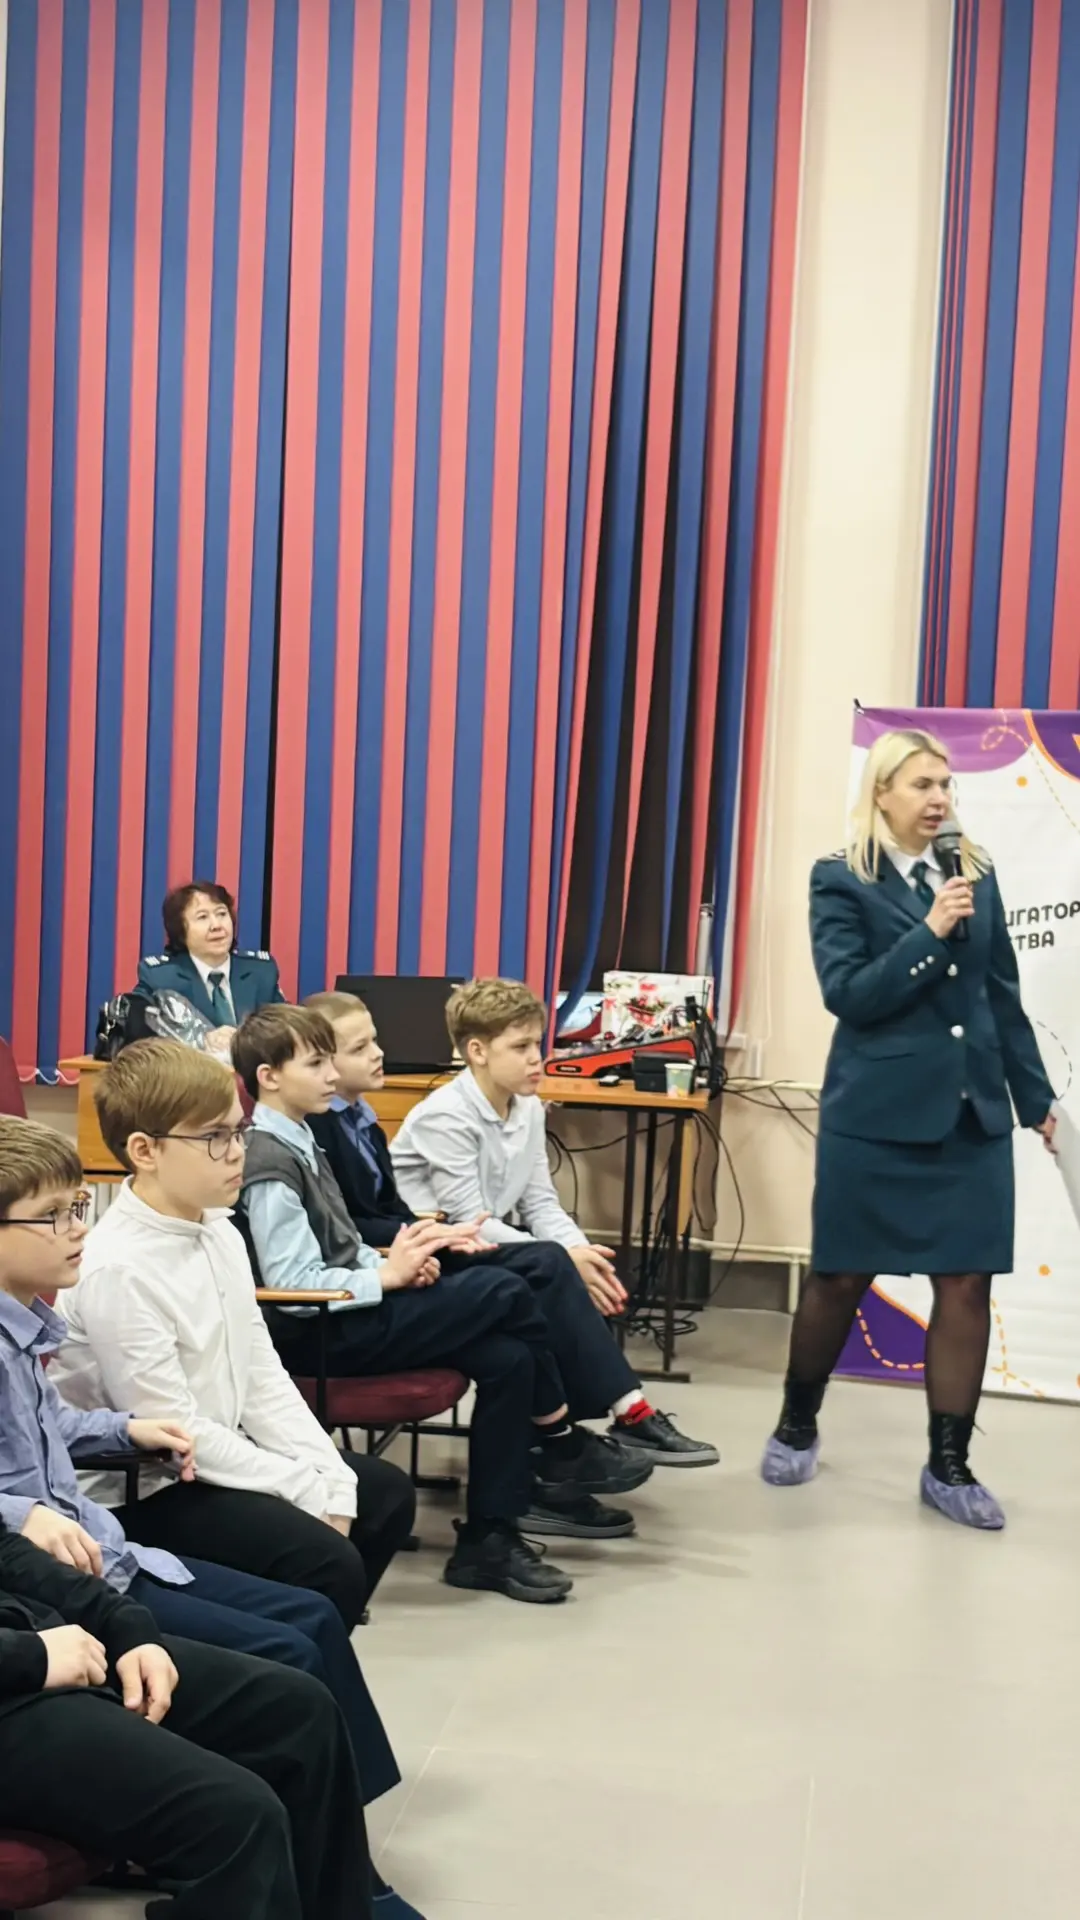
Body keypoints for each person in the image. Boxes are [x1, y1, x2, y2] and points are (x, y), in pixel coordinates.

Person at [0, 1116, 403, 1832]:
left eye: (77, 1206)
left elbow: (47, 1423)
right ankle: (315, 1825)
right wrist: (17, 1511)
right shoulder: (111, 1272)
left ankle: (331, 1821)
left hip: (103, 1555)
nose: (76, 1228)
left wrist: (123, 1429)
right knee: (293, 1646)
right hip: (52, 1586)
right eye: (53, 1214)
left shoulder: (27, 1325)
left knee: (312, 1614)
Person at [232, 1003, 656, 1600]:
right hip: (320, 1331)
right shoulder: (268, 1160)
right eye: (316, 1063)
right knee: (508, 1288)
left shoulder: (301, 1137)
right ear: (269, 1077)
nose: (331, 1074)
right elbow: (296, 1286)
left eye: (331, 1060)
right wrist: (388, 1278)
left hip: (347, 1305)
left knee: (508, 1357)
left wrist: (396, 1260)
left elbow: (340, 1245)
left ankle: (490, 1538)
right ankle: (560, 1439)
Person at [760, 727, 1057, 1529]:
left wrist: (1036, 1101)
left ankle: (949, 1464)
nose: (939, 799)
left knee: (967, 1283)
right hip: (875, 1117)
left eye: (946, 784)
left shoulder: (976, 873)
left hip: (969, 1114)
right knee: (840, 1277)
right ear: (882, 792)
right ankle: (797, 1420)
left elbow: (1001, 996)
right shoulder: (839, 877)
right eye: (923, 784)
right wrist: (929, 932)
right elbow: (850, 995)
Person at [50, 1044, 417, 1642]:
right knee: (325, 1558)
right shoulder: (118, 1267)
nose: (237, 1152)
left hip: (214, 1458)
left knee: (382, 1495)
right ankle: (291, 1666)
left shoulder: (219, 1230)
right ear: (145, 1151)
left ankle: (305, 1653)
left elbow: (261, 1373)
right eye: (213, 1138)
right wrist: (301, 1488)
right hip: (140, 1488)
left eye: (238, 1131)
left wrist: (327, 1475)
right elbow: (175, 1430)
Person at [387, 978, 718, 1468]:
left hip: (484, 1246)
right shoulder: (445, 1116)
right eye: (519, 1047)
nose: (535, 1059)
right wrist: (565, 1260)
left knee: (572, 1270)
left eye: (536, 1044)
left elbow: (541, 1203)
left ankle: (567, 1443)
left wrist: (583, 1256)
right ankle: (623, 1416)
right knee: (553, 1269)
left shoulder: (526, 1107)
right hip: (432, 1257)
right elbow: (469, 1221)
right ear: (477, 1051)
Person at [0, 1516, 377, 1920]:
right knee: (236, 1817)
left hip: (31, 1638)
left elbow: (6, 1551)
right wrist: (32, 1657)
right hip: (18, 1680)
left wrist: (124, 1626)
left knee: (299, 1710)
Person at [134, 879, 284, 1047]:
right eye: (203, 917)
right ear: (180, 930)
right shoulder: (161, 978)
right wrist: (201, 1039)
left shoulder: (260, 972)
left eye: (222, 914)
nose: (216, 925)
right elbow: (140, 1040)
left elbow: (285, 1030)